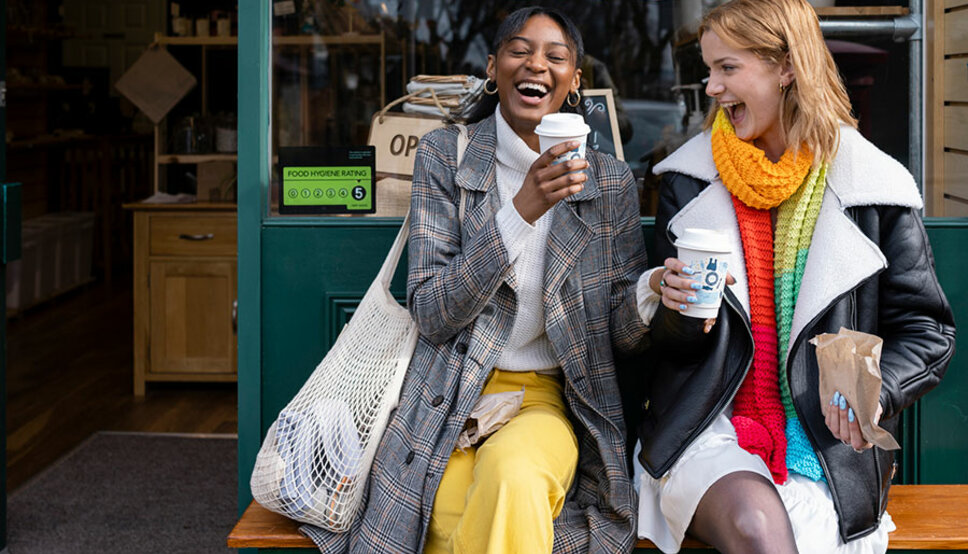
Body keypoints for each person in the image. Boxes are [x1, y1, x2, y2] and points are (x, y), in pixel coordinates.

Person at [302, 7, 653, 553]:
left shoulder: (607, 182)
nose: (535, 63)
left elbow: (620, 333)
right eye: (519, 50)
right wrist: (520, 211)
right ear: (493, 68)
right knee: (446, 513)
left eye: (555, 56)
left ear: (575, 82)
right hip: (449, 394)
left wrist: (653, 295)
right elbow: (434, 312)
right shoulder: (446, 156)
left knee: (513, 479)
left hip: (548, 399)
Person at [630, 1, 956, 553]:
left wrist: (875, 393)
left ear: (786, 68)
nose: (711, 88)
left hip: (830, 445)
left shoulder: (872, 187)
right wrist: (672, 307)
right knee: (758, 525)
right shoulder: (688, 182)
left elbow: (928, 331)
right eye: (708, 70)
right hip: (710, 426)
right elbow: (674, 352)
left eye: (728, 69)